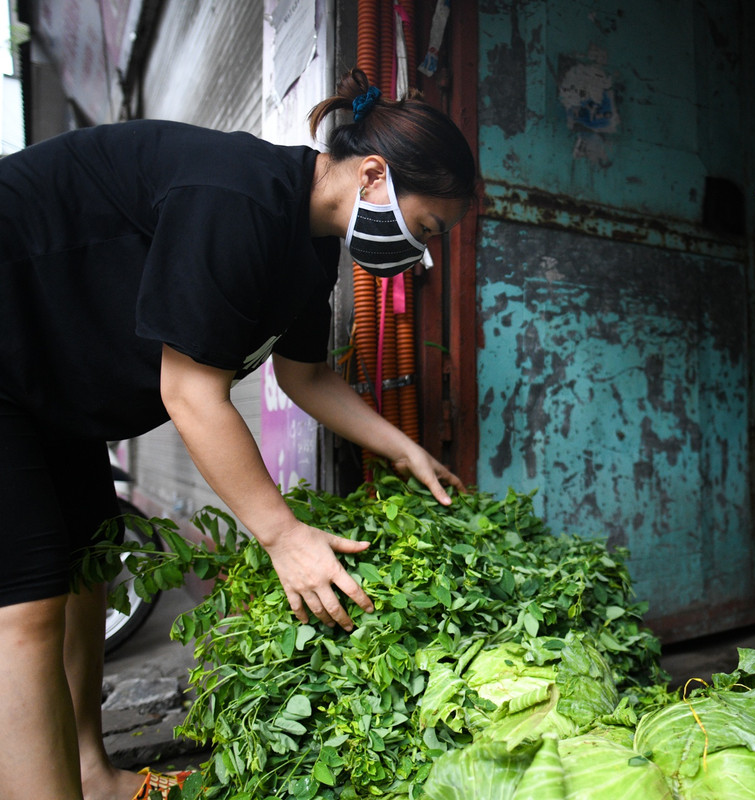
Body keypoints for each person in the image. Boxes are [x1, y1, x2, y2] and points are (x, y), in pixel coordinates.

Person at [0, 69, 474, 800]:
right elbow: (191, 394)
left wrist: (404, 448)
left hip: (50, 384)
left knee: (89, 569)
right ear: (374, 175)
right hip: (7, 351)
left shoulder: (309, 246)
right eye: (427, 227)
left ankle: (92, 774)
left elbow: (305, 376)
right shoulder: (239, 196)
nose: (419, 250)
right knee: (27, 604)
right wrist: (283, 537)